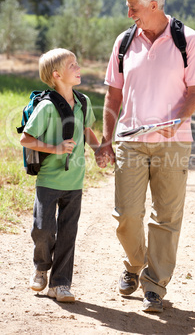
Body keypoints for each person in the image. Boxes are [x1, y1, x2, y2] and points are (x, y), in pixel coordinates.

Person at [95, 0, 195, 313]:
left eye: (133, 7)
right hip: (130, 141)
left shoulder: (187, 39)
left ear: (153, 5)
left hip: (174, 144)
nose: (129, 13)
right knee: (126, 214)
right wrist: (105, 140)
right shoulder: (124, 42)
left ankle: (155, 285)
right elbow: (112, 94)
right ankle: (134, 265)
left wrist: (179, 120)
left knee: (167, 216)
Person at [20, 48, 101, 303]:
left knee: (68, 233)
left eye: (77, 63)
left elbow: (88, 131)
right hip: (49, 179)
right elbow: (26, 139)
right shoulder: (45, 106)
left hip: (75, 181)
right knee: (43, 229)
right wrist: (55, 148)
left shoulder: (83, 102)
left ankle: (60, 284)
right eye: (72, 65)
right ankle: (41, 267)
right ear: (56, 75)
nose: (78, 68)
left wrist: (101, 150)